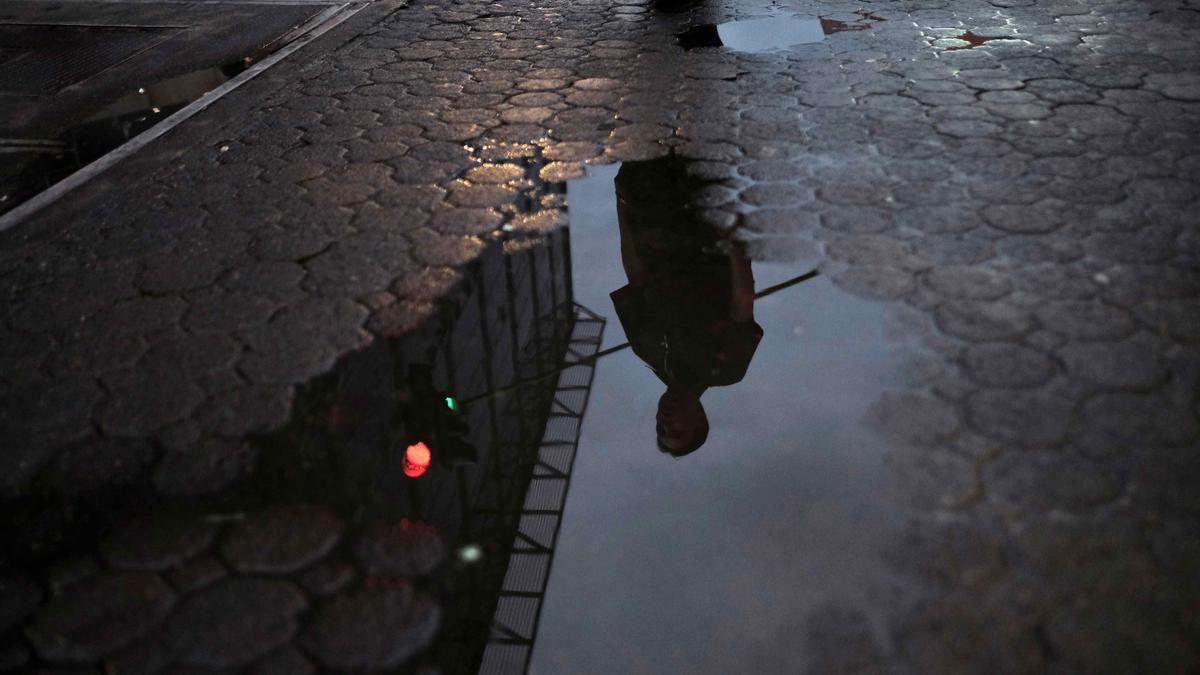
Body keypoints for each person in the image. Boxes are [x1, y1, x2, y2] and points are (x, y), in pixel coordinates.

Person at [609, 155, 763, 457]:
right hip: (702, 230)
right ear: (699, 418)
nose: (665, 422)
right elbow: (743, 300)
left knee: (647, 128)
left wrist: (622, 204)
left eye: (660, 429)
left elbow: (635, 273)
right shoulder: (726, 368)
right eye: (676, 430)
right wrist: (735, 237)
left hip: (649, 212)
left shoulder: (648, 350)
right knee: (697, 140)